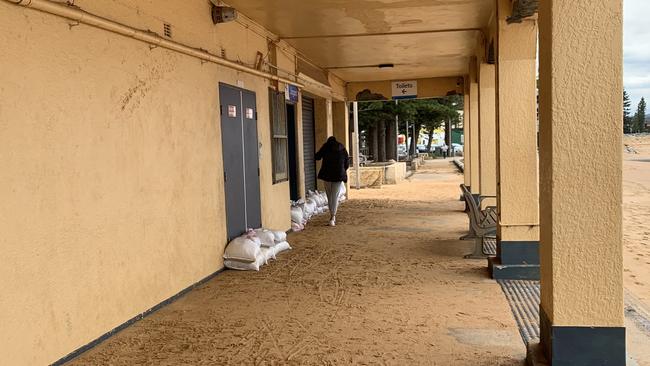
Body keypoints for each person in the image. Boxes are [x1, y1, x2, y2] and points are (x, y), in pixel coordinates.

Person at [315, 136, 349, 226]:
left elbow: (317, 156)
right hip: (338, 175)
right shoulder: (342, 148)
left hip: (327, 175)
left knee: (329, 195)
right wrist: (342, 170)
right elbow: (347, 162)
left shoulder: (326, 147)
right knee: (335, 196)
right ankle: (332, 217)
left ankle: (332, 216)